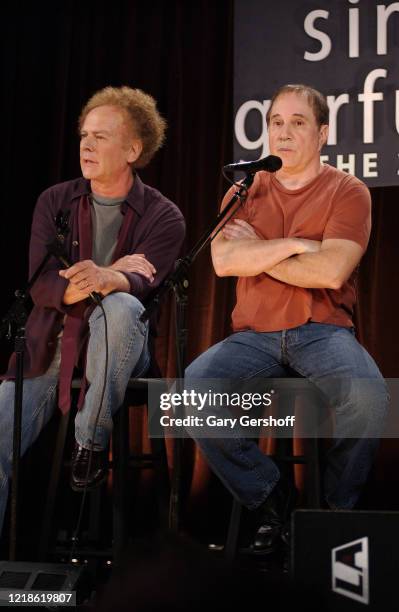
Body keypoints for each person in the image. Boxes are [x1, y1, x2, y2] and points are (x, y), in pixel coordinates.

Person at [185, 84, 388, 553]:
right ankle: (276, 501)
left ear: (322, 133)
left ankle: (332, 516)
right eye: (276, 121)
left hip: (321, 331)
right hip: (253, 335)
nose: (284, 132)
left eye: (298, 122)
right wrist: (297, 244)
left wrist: (255, 250)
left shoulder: (347, 191)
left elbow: (332, 269)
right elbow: (222, 263)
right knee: (193, 394)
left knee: (371, 400)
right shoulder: (244, 190)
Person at [0, 86, 185, 535]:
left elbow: (142, 283)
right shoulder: (54, 201)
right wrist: (108, 271)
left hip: (122, 344)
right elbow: (42, 286)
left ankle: (89, 441)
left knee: (120, 306)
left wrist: (110, 278)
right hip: (53, 345)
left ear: (133, 149)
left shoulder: (164, 216)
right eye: (84, 135)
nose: (86, 145)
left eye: (101, 137)